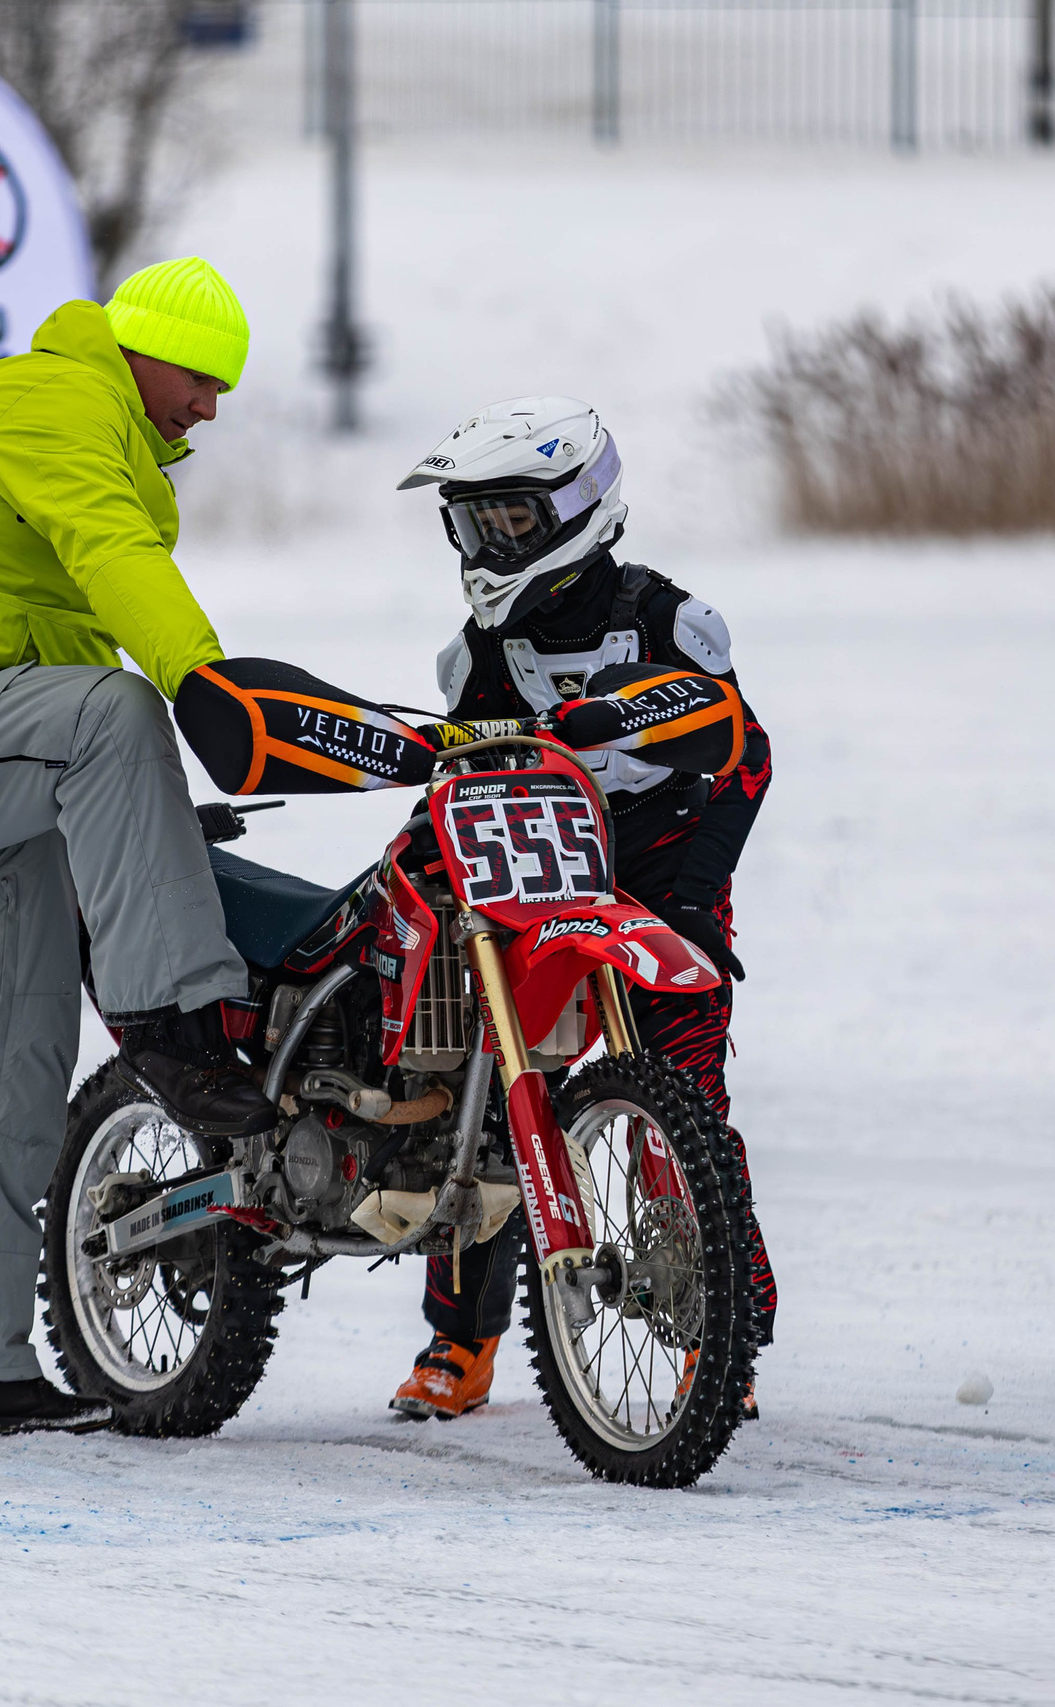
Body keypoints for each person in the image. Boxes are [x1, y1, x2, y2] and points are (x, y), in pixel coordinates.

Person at [0, 259, 430, 1442]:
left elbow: (65, 630)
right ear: (138, 351)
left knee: (10, 1056)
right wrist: (203, 680)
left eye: (224, 389)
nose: (210, 407)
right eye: (200, 379)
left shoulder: (96, 438)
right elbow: (110, 559)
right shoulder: (51, 401)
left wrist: (142, 817)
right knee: (117, 710)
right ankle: (176, 1025)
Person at [379, 396, 778, 1422]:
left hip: (662, 873)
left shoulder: (671, 623)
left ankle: (718, 1338)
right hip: (529, 878)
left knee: (682, 1103)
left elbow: (745, 759)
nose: (488, 544)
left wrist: (698, 903)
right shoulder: (475, 654)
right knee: (491, 1100)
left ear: (577, 507)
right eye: (472, 523)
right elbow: (459, 782)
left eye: (509, 518)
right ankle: (459, 1343)